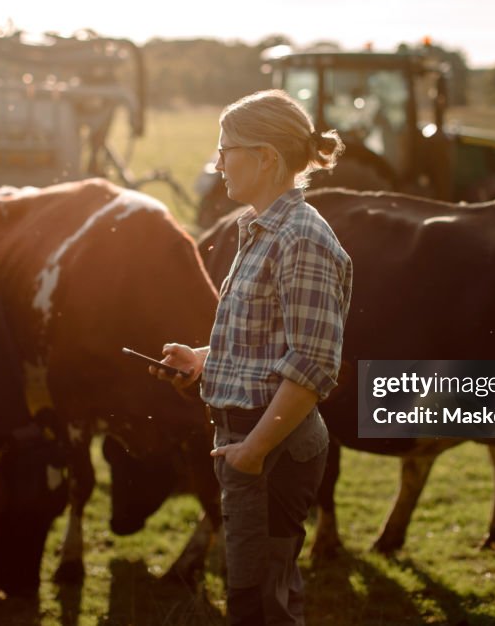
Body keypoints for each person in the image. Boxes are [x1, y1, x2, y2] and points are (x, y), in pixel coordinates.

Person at [156, 90, 352, 625]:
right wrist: (203, 359)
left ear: (265, 157)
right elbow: (270, 340)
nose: (217, 163)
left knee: (258, 606)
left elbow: (312, 363)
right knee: (258, 596)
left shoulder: (301, 238)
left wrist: (253, 450)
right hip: (256, 440)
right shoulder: (262, 228)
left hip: (271, 447)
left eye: (226, 149)